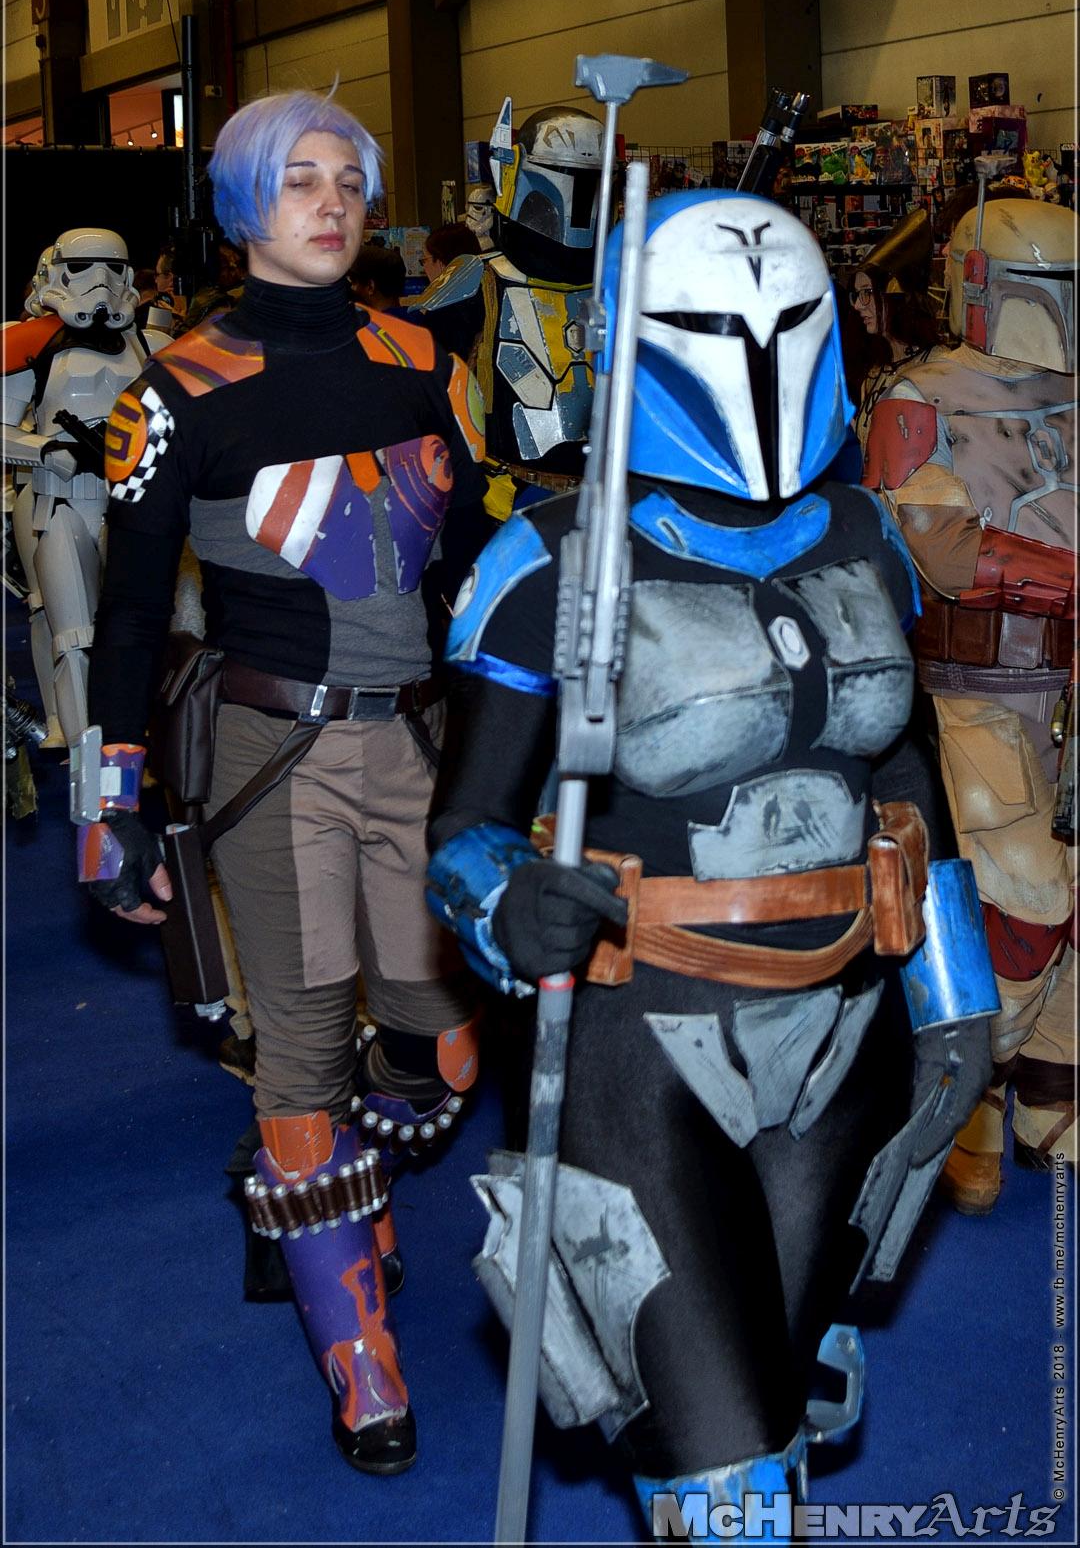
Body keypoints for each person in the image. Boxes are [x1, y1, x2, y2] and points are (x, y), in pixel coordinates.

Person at [425, 190, 996, 1535]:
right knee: (725, 1482)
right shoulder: (550, 563)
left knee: (781, 1417)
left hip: (849, 1036)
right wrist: (508, 899)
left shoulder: (864, 534)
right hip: (647, 1041)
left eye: (786, 323)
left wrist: (956, 995)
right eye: (714, 327)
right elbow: (464, 828)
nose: (755, 357)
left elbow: (906, 775)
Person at [73, 90, 489, 1474]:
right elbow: (130, 616)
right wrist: (111, 804)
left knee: (440, 1042)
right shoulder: (173, 394)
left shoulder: (421, 358)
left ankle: (310, 1189)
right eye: (299, 179)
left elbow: (473, 563)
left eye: (349, 181)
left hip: (425, 745)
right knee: (302, 1043)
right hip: (279, 758)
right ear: (245, 206)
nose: (330, 203)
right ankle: (360, 1352)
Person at [865, 193, 1076, 1214]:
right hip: (975, 691)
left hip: (1067, 684)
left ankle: (1051, 1097)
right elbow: (938, 546)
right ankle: (964, 1098)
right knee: (1022, 897)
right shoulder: (919, 396)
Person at [2, 229, 171, 746]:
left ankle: (135, 747)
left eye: (111, 267)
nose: (100, 281)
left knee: (139, 633)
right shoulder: (29, 341)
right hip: (62, 502)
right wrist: (47, 451)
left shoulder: (152, 344)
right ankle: (86, 761)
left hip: (134, 505)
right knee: (74, 636)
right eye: (83, 267)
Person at [408, 95, 604, 522]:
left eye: (590, 181)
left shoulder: (614, 284)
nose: (577, 200)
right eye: (569, 177)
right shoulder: (476, 279)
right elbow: (419, 386)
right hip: (501, 500)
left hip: (600, 500)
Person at [840, 210, 943, 451]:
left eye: (867, 293)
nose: (857, 305)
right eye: (857, 294)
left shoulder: (938, 366)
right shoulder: (875, 373)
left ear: (895, 298)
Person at [181, 240, 246, 331]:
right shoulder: (206, 296)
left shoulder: (241, 295)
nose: (235, 272)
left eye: (237, 265)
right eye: (226, 266)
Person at [348, 243, 410, 318]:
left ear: (370, 286)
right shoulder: (416, 317)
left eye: (353, 282)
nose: (351, 288)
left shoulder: (368, 323)